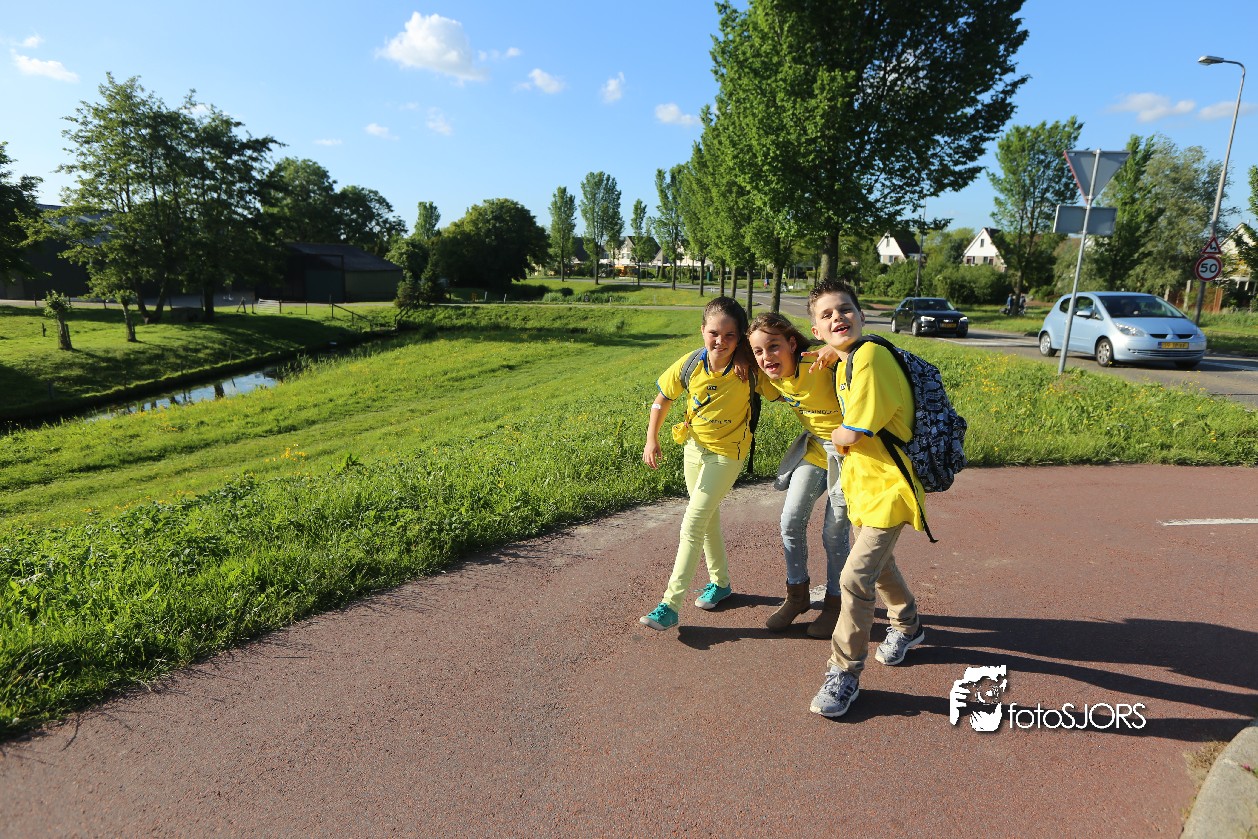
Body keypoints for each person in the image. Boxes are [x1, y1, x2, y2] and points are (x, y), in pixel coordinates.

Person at [806, 278, 926, 718]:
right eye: (826, 315)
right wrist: (831, 350)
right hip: (865, 488)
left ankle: (845, 672)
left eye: (845, 309)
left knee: (854, 578)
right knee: (879, 565)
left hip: (890, 490)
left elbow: (852, 432)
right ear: (816, 330)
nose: (838, 317)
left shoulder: (871, 357)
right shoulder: (847, 361)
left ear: (861, 315)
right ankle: (908, 625)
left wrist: (837, 434)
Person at [640, 296, 756, 631]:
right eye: (714, 333)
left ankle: (670, 605)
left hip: (728, 453)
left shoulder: (748, 367)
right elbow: (661, 401)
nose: (720, 341)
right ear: (702, 330)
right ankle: (721, 583)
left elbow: (784, 367)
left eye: (730, 335)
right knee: (707, 517)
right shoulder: (691, 363)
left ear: (741, 336)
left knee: (693, 524)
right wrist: (651, 439)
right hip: (694, 448)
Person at [747, 312, 850, 637]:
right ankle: (797, 596)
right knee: (790, 521)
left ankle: (837, 605)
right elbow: (726, 357)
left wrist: (839, 347)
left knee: (834, 533)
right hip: (817, 449)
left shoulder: (820, 364)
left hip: (854, 456)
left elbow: (869, 353)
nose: (767, 357)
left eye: (773, 346)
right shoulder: (770, 377)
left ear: (792, 344)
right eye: (758, 351)